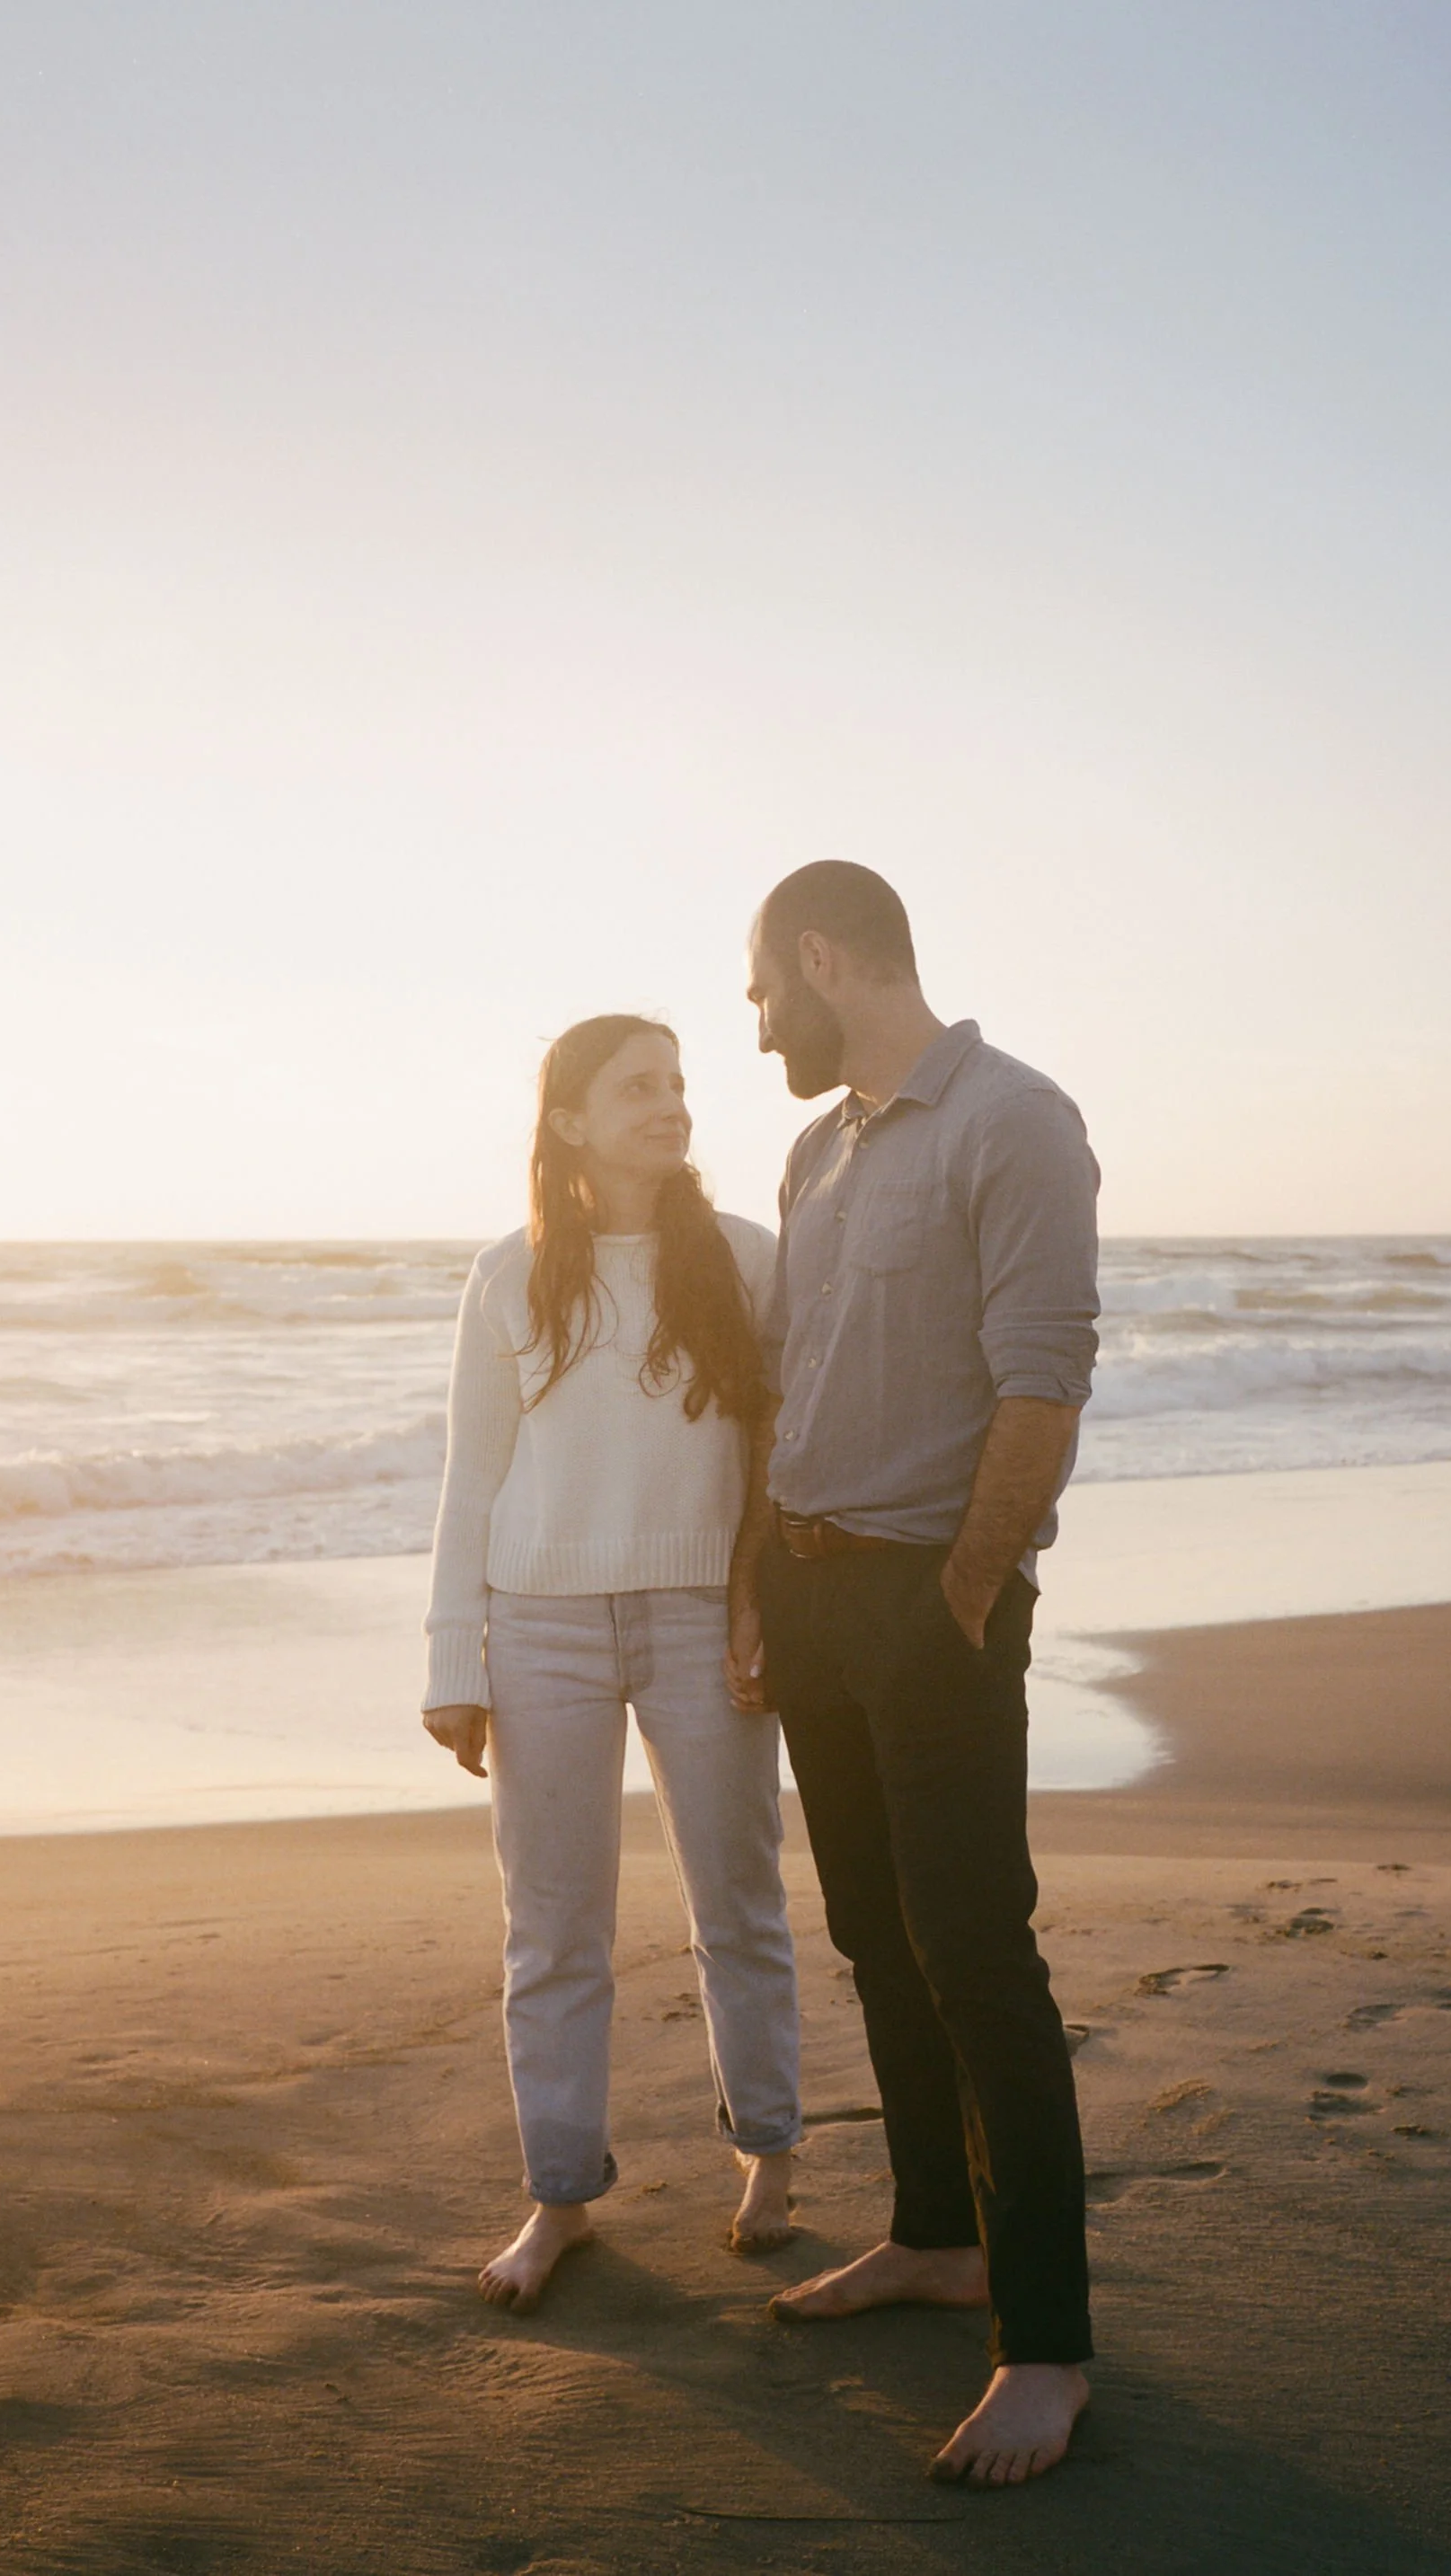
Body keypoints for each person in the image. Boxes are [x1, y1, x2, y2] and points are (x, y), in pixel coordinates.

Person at [735, 863, 1101, 2488]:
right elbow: (787, 1391)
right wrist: (764, 1588)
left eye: (763, 994)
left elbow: (1043, 1384)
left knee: (974, 1951)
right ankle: (936, 2239)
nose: (758, 1031)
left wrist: (961, 1591)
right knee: (875, 1931)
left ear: (823, 959)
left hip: (928, 1608)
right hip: (811, 1600)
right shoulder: (816, 1149)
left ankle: (1045, 2343)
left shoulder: (1014, 1120)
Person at [421, 1013, 801, 2312]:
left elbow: (777, 1459)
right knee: (552, 1924)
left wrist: (767, 1607)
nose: (673, 1103)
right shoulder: (509, 1274)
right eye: (639, 1086)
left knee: (736, 1897)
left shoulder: (750, 1261)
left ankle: (770, 2153)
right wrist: (450, 1658)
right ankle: (561, 2193)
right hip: (538, 1625)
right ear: (570, 1118)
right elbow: (471, 1476)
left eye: (681, 1083)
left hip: (705, 1614)